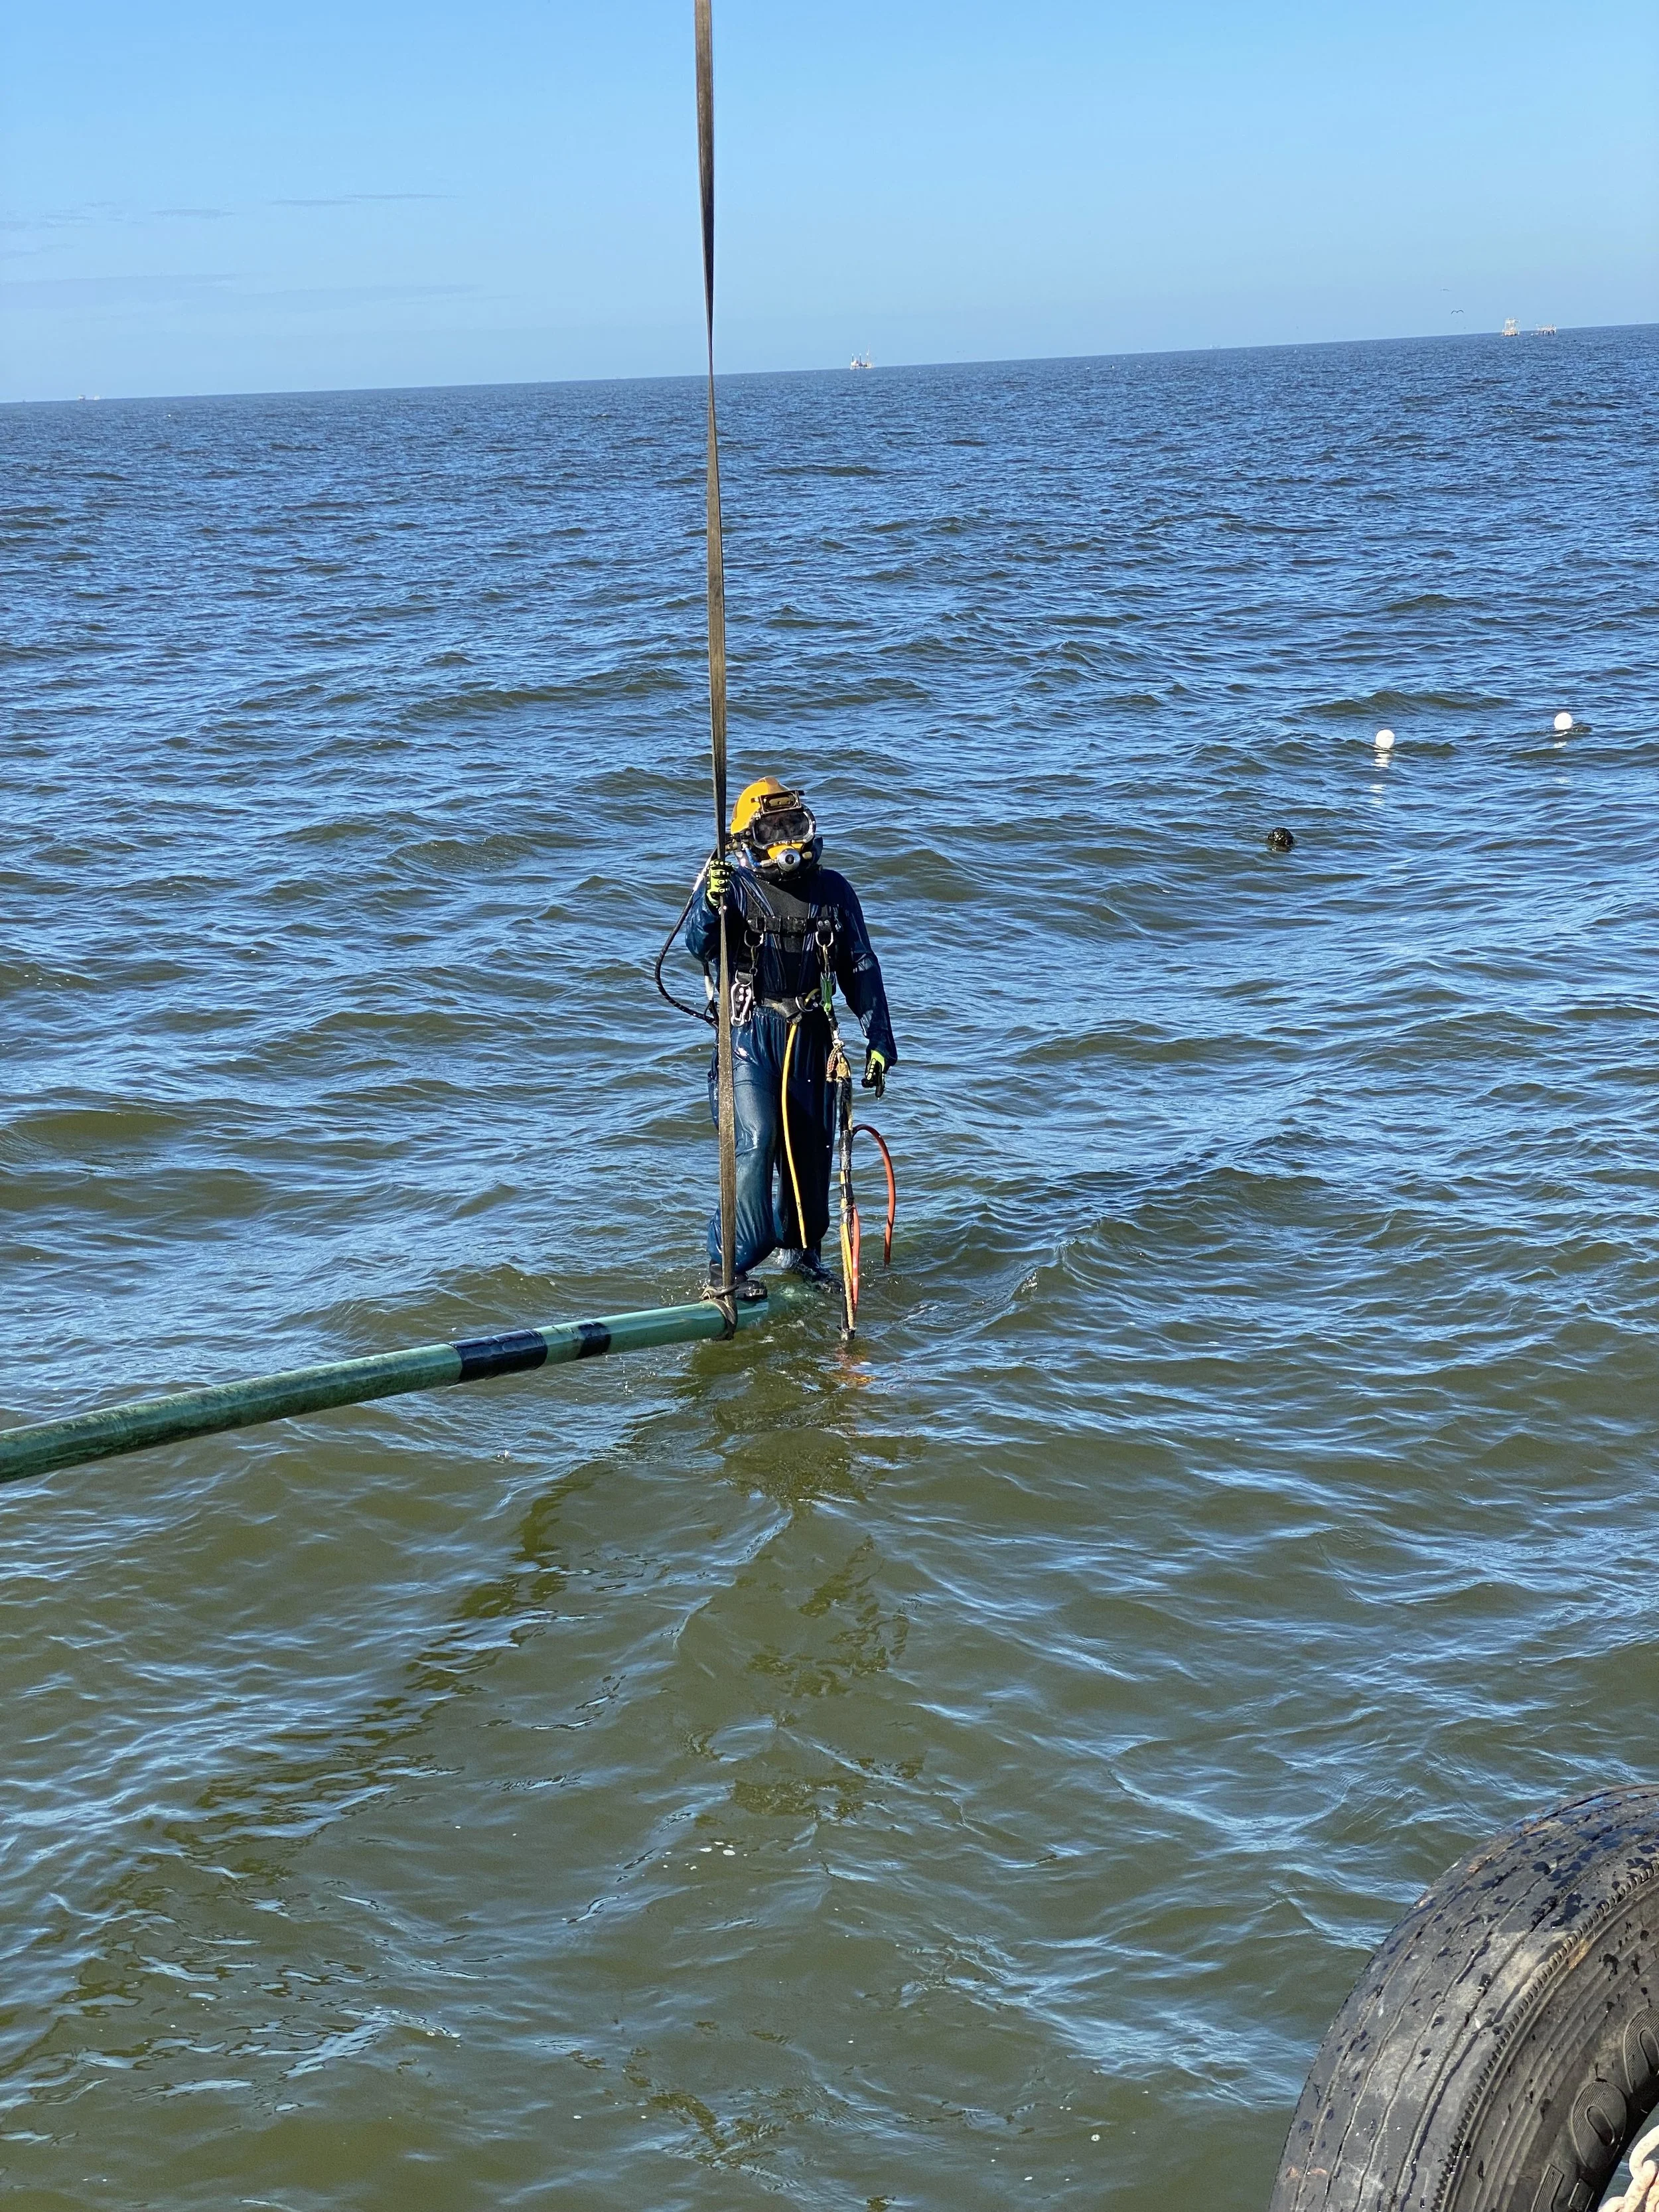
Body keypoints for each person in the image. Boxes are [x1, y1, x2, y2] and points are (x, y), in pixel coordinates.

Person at [684, 776, 897, 1292]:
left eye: (792, 826)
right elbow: (696, 944)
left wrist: (880, 1042)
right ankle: (728, 1265)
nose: (786, 840)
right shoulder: (731, 888)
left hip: (813, 1039)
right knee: (757, 1142)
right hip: (750, 1036)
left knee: (810, 1152)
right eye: (772, 829)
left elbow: (861, 968)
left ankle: (802, 1252)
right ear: (748, 839)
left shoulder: (835, 892)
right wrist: (709, 905)